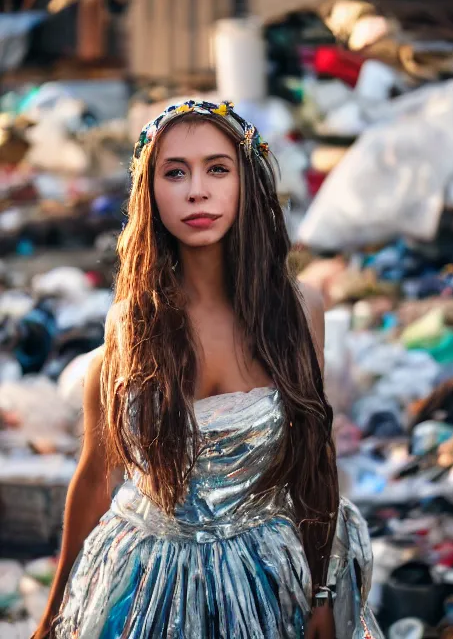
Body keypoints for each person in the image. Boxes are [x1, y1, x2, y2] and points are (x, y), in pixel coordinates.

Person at [33, 100, 381, 639]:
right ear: (150, 192)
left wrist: (321, 593)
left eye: (217, 169)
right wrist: (52, 617)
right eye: (176, 172)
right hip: (146, 584)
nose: (198, 190)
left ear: (247, 183)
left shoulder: (297, 310)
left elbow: (316, 454)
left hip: (268, 581)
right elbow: (97, 475)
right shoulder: (131, 324)